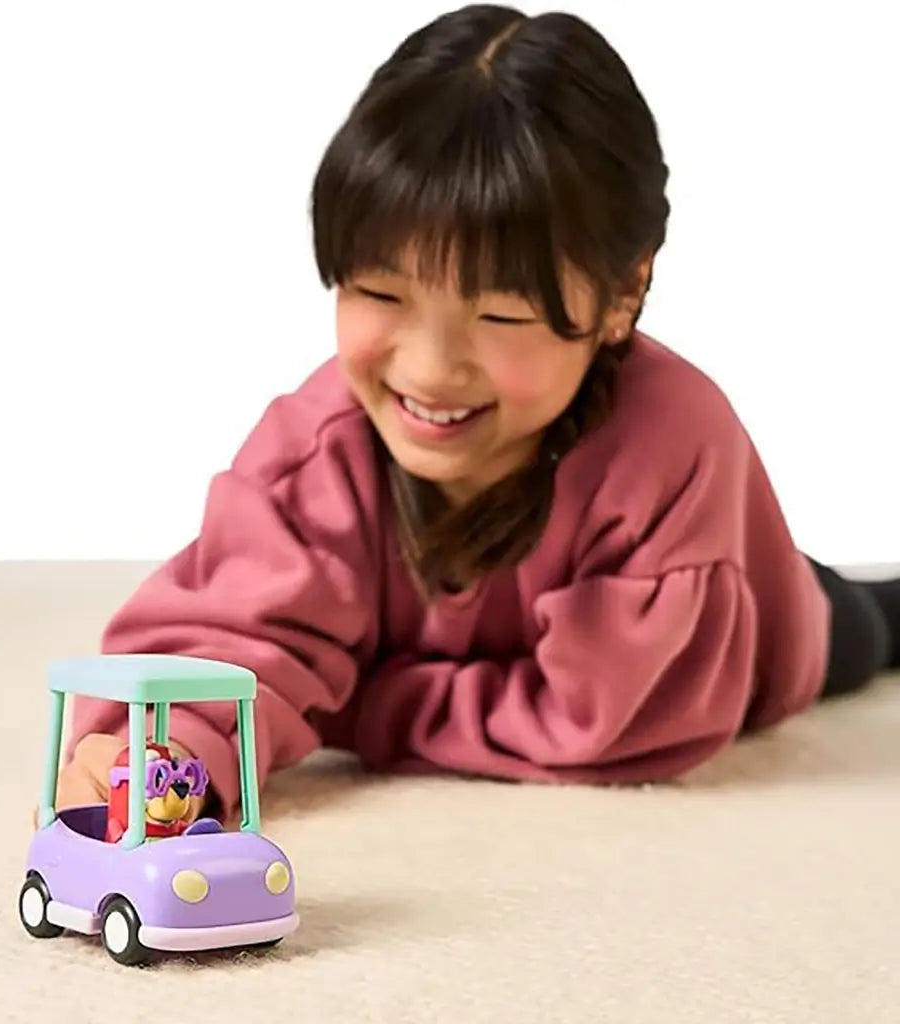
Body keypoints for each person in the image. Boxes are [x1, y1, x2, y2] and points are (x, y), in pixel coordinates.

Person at [52, 5, 899, 821]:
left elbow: (619, 721)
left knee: (867, 625)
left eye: (500, 316)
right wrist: (164, 756)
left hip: (770, 621)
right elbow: (223, 644)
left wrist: (367, 706)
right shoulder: (316, 452)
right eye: (380, 292)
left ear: (623, 293)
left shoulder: (673, 446)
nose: (429, 370)